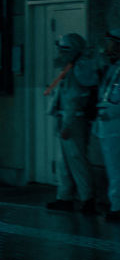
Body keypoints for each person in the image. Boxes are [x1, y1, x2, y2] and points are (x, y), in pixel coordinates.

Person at [44, 32, 100, 212]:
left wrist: (67, 124)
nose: (60, 53)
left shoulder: (81, 69)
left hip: (73, 118)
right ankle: (65, 196)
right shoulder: (69, 68)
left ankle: (87, 198)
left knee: (76, 159)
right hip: (65, 117)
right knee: (63, 162)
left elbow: (75, 98)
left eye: (64, 49)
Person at [95, 28, 120, 223]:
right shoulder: (113, 68)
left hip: (115, 126)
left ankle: (117, 207)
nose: (108, 49)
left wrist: (109, 112)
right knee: (113, 169)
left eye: (112, 44)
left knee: (116, 169)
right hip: (108, 127)